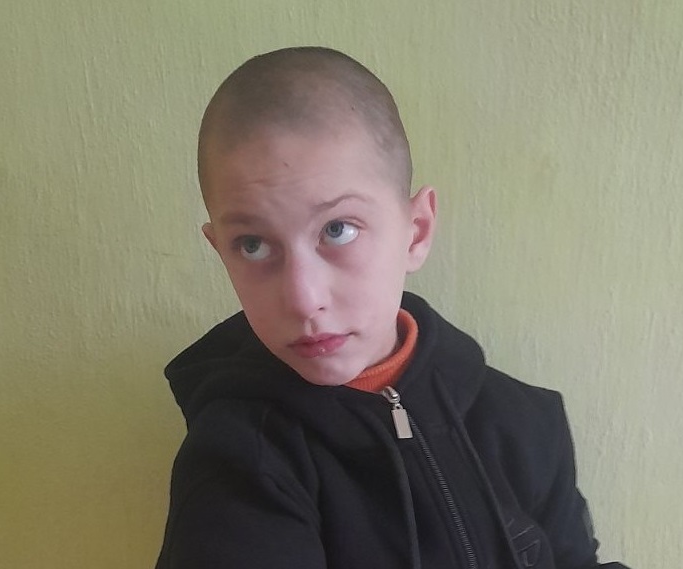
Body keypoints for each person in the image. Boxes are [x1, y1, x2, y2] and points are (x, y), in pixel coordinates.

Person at [155, 46, 628, 569]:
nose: (304, 298)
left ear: (416, 232)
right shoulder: (240, 463)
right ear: (220, 250)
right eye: (253, 245)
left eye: (338, 229)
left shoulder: (523, 421)